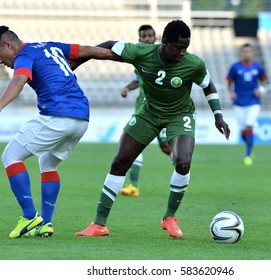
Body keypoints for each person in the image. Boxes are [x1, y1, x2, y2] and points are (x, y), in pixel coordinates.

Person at [74, 20, 230, 239]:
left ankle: (169, 218)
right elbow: (109, 44)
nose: (183, 52)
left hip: (180, 115)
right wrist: (80, 60)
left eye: (186, 47)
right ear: (165, 43)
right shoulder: (141, 52)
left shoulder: (194, 64)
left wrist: (218, 115)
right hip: (149, 113)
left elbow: (208, 85)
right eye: (178, 47)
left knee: (183, 161)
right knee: (120, 162)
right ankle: (99, 224)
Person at [0, 25, 120, 238]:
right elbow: (90, 51)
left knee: (10, 156)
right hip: (81, 118)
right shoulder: (51, 46)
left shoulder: (24, 55)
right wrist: (128, 57)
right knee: (48, 163)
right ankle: (46, 223)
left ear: (8, 45)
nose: (0, 61)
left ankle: (29, 217)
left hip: (57, 115)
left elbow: (19, 80)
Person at [119, 24, 172, 197]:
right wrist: (127, 88)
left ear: (156, 38)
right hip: (143, 110)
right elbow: (136, 80)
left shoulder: (165, 56)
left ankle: (181, 173)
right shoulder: (139, 59)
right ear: (139, 39)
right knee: (135, 146)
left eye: (150, 36)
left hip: (162, 111)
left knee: (166, 147)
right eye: (144, 36)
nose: (147, 39)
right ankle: (133, 186)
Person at [226, 43, 267, 166]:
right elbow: (228, 81)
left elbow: (264, 82)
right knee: (243, 131)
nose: (247, 54)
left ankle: (248, 154)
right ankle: (249, 144)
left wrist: (261, 90)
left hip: (253, 102)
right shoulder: (235, 67)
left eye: (249, 51)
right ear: (241, 53)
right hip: (238, 102)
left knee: (250, 126)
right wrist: (230, 92)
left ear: (252, 52)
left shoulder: (258, 67)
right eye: (244, 52)